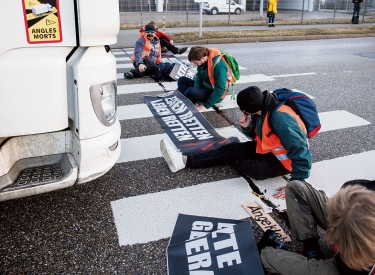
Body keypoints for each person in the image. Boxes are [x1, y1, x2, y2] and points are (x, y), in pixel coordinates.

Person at [160, 86, 312, 198]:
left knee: (252, 169)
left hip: (286, 162)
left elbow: (301, 151)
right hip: (268, 151)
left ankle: (234, 157)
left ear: (248, 110)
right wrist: (247, 128)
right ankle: (183, 161)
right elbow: (263, 136)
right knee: (232, 148)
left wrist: (296, 183)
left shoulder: (282, 119)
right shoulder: (262, 107)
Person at [258, 179, 375, 275]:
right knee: (296, 188)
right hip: (361, 217)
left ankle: (264, 255)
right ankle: (311, 248)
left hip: (354, 268)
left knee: (265, 256)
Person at [177, 46, 232, 111]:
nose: (195, 65)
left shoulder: (219, 66)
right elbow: (199, 77)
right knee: (182, 79)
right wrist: (196, 90)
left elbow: (220, 89)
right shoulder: (202, 63)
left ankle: (187, 99)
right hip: (205, 86)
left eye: (195, 62)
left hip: (213, 91)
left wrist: (206, 105)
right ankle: (185, 99)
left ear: (202, 58)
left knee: (189, 91)